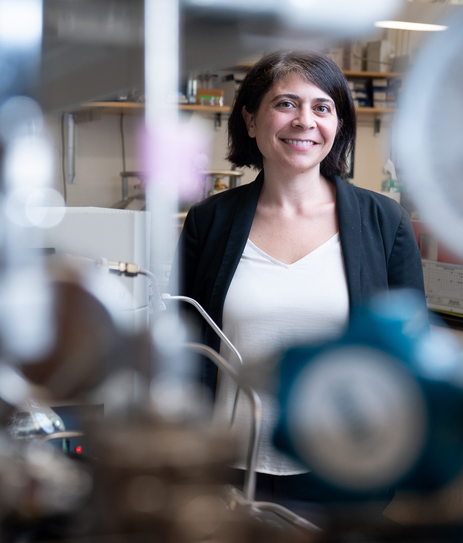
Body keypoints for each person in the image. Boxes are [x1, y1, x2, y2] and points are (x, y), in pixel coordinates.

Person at [172, 50, 425, 509]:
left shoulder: (385, 221)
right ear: (251, 121)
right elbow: (182, 348)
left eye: (322, 107)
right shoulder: (208, 222)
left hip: (342, 469)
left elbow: (411, 354)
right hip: (229, 470)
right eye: (285, 103)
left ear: (339, 126)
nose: (304, 121)